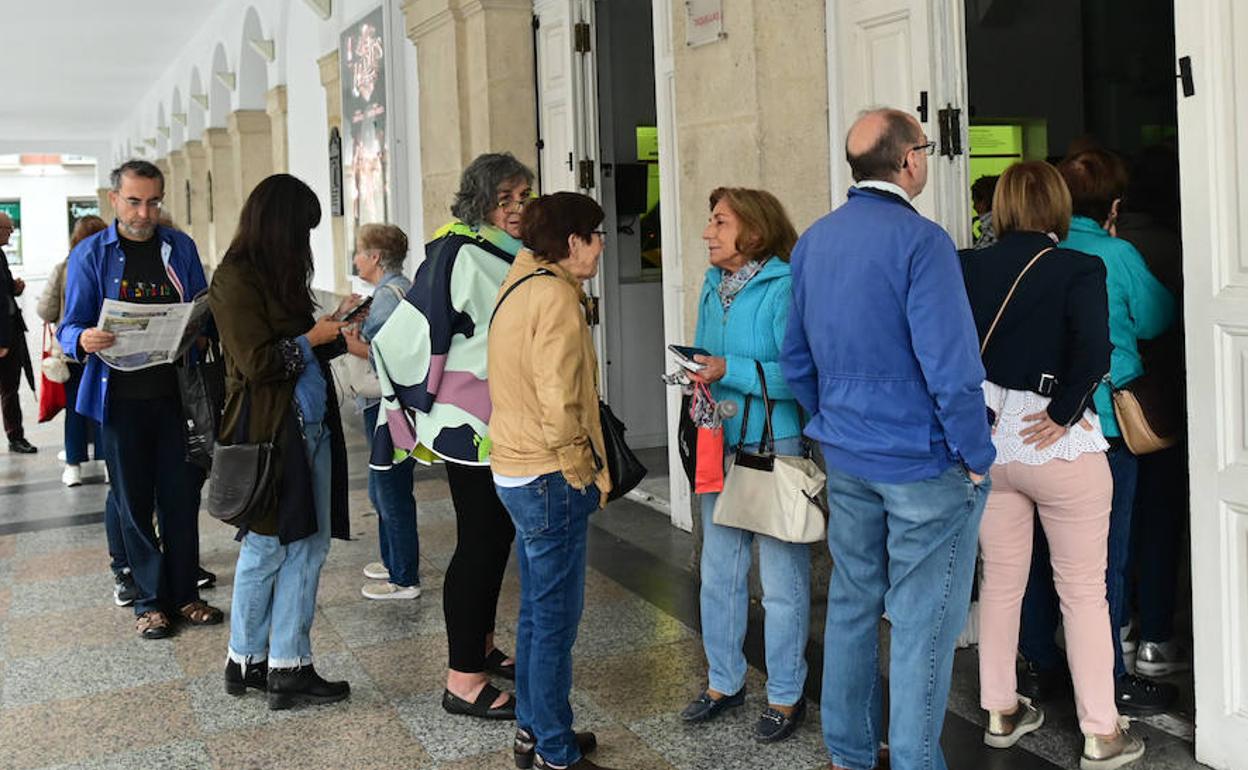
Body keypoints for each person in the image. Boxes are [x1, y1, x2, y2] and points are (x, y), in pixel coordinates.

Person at [780, 108, 995, 770]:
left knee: (852, 603)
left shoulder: (815, 241)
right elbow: (951, 367)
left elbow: (796, 359)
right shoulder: (923, 242)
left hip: (848, 453)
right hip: (921, 460)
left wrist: (835, 420)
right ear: (909, 161)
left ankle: (848, 753)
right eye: (924, 147)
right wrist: (977, 454)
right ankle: (912, 760)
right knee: (922, 620)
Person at [961, 161, 1143, 767]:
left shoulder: (968, 266)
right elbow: (1095, 352)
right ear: (1058, 206)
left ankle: (1000, 710)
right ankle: (1101, 731)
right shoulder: (1078, 266)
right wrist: (1063, 412)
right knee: (1085, 591)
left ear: (1004, 207)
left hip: (993, 443)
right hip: (1056, 442)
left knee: (1000, 582)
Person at [371, 152, 532, 719]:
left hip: (499, 417)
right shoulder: (461, 252)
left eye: (523, 197)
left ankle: (480, 646)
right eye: (504, 199)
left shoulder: (503, 251)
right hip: (470, 423)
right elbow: (414, 335)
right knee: (480, 542)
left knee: (495, 536)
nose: (516, 208)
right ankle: (463, 680)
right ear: (479, 202)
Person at [1018, 149, 1179, 716]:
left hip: (1038, 424)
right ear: (1113, 205)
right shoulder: (1116, 254)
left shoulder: (1039, 255)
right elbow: (1160, 318)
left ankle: (1039, 665)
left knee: (1038, 553)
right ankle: (1110, 676)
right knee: (1103, 560)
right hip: (1105, 425)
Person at [58, 160, 221, 639]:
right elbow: (69, 326)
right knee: (133, 502)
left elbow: (203, 308)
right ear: (114, 200)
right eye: (133, 202)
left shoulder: (180, 247)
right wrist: (82, 338)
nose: (144, 213)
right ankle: (149, 603)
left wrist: (199, 328)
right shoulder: (91, 255)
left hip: (176, 397)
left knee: (180, 497)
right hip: (119, 401)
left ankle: (185, 594)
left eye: (152, 202)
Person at [210, 173, 352, 709]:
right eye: (301, 231)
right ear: (276, 227)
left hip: (308, 424)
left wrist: (336, 329)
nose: (305, 243)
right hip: (271, 432)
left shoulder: (280, 274)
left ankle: (286, 663)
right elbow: (257, 362)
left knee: (309, 544)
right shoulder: (234, 278)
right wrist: (312, 337)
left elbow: (300, 349)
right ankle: (247, 658)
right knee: (268, 544)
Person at [678, 187, 812, 743]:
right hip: (719, 443)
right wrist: (694, 374)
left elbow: (801, 376)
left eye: (719, 222)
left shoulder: (785, 286)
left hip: (773, 446)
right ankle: (723, 682)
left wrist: (726, 368)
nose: (707, 232)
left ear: (753, 233)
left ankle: (786, 693)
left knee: (780, 580)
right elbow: (705, 358)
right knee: (719, 573)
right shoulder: (713, 286)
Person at [489, 191, 613, 770]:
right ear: (573, 242)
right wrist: (581, 469)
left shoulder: (519, 284)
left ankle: (533, 731)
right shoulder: (557, 298)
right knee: (555, 622)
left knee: (538, 613)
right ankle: (555, 753)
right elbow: (559, 398)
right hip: (547, 473)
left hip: (515, 468)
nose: (603, 246)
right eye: (596, 235)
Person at [1117, 145, 1190, 678]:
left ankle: (1119, 629)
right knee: (1159, 519)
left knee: (1114, 525)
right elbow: (1161, 318)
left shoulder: (1082, 246)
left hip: (1099, 406)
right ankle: (1156, 639)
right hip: (1155, 399)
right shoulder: (1171, 244)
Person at [341, 223, 420, 600]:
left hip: (387, 404)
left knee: (390, 490)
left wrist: (346, 341)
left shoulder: (388, 297)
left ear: (374, 257)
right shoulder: (398, 289)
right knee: (382, 488)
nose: (355, 259)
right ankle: (393, 563)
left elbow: (386, 355)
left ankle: (404, 578)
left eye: (359, 252)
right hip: (390, 403)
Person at [39, 215, 108, 486]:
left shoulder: (64, 268)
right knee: (105, 406)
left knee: (75, 408)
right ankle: (108, 463)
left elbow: (46, 310)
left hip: (73, 352)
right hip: (106, 351)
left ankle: (73, 467)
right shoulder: (112, 267)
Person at [0, 210, 35, 454]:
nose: (12, 232)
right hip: (2, 335)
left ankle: (16, 436)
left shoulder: (1, 255)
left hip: (12, 331)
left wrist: (15, 288)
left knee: (11, 387)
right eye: (8, 228)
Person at [971, 174, 999, 249]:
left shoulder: (992, 230)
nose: (974, 207)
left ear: (984, 202)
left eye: (975, 202)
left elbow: (979, 251)